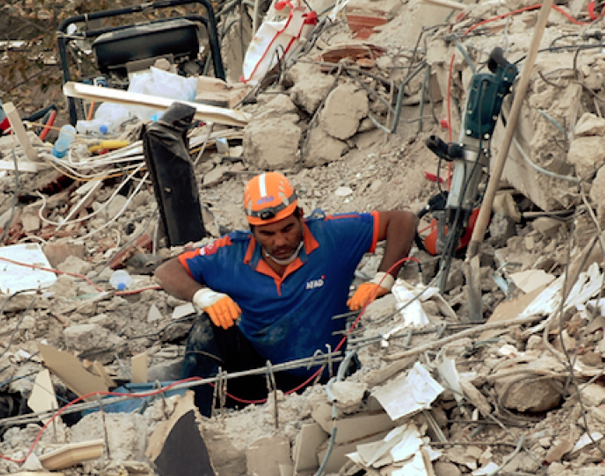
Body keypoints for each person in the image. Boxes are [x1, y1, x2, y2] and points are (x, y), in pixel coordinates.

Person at [155, 171, 417, 414]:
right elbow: (167, 271)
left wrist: (383, 278)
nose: (279, 241)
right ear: (251, 230)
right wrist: (203, 296)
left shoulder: (331, 237)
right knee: (207, 327)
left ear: (300, 215)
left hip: (326, 377)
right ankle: (196, 417)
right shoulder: (230, 254)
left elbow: (402, 220)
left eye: (287, 229)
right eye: (266, 233)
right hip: (257, 375)